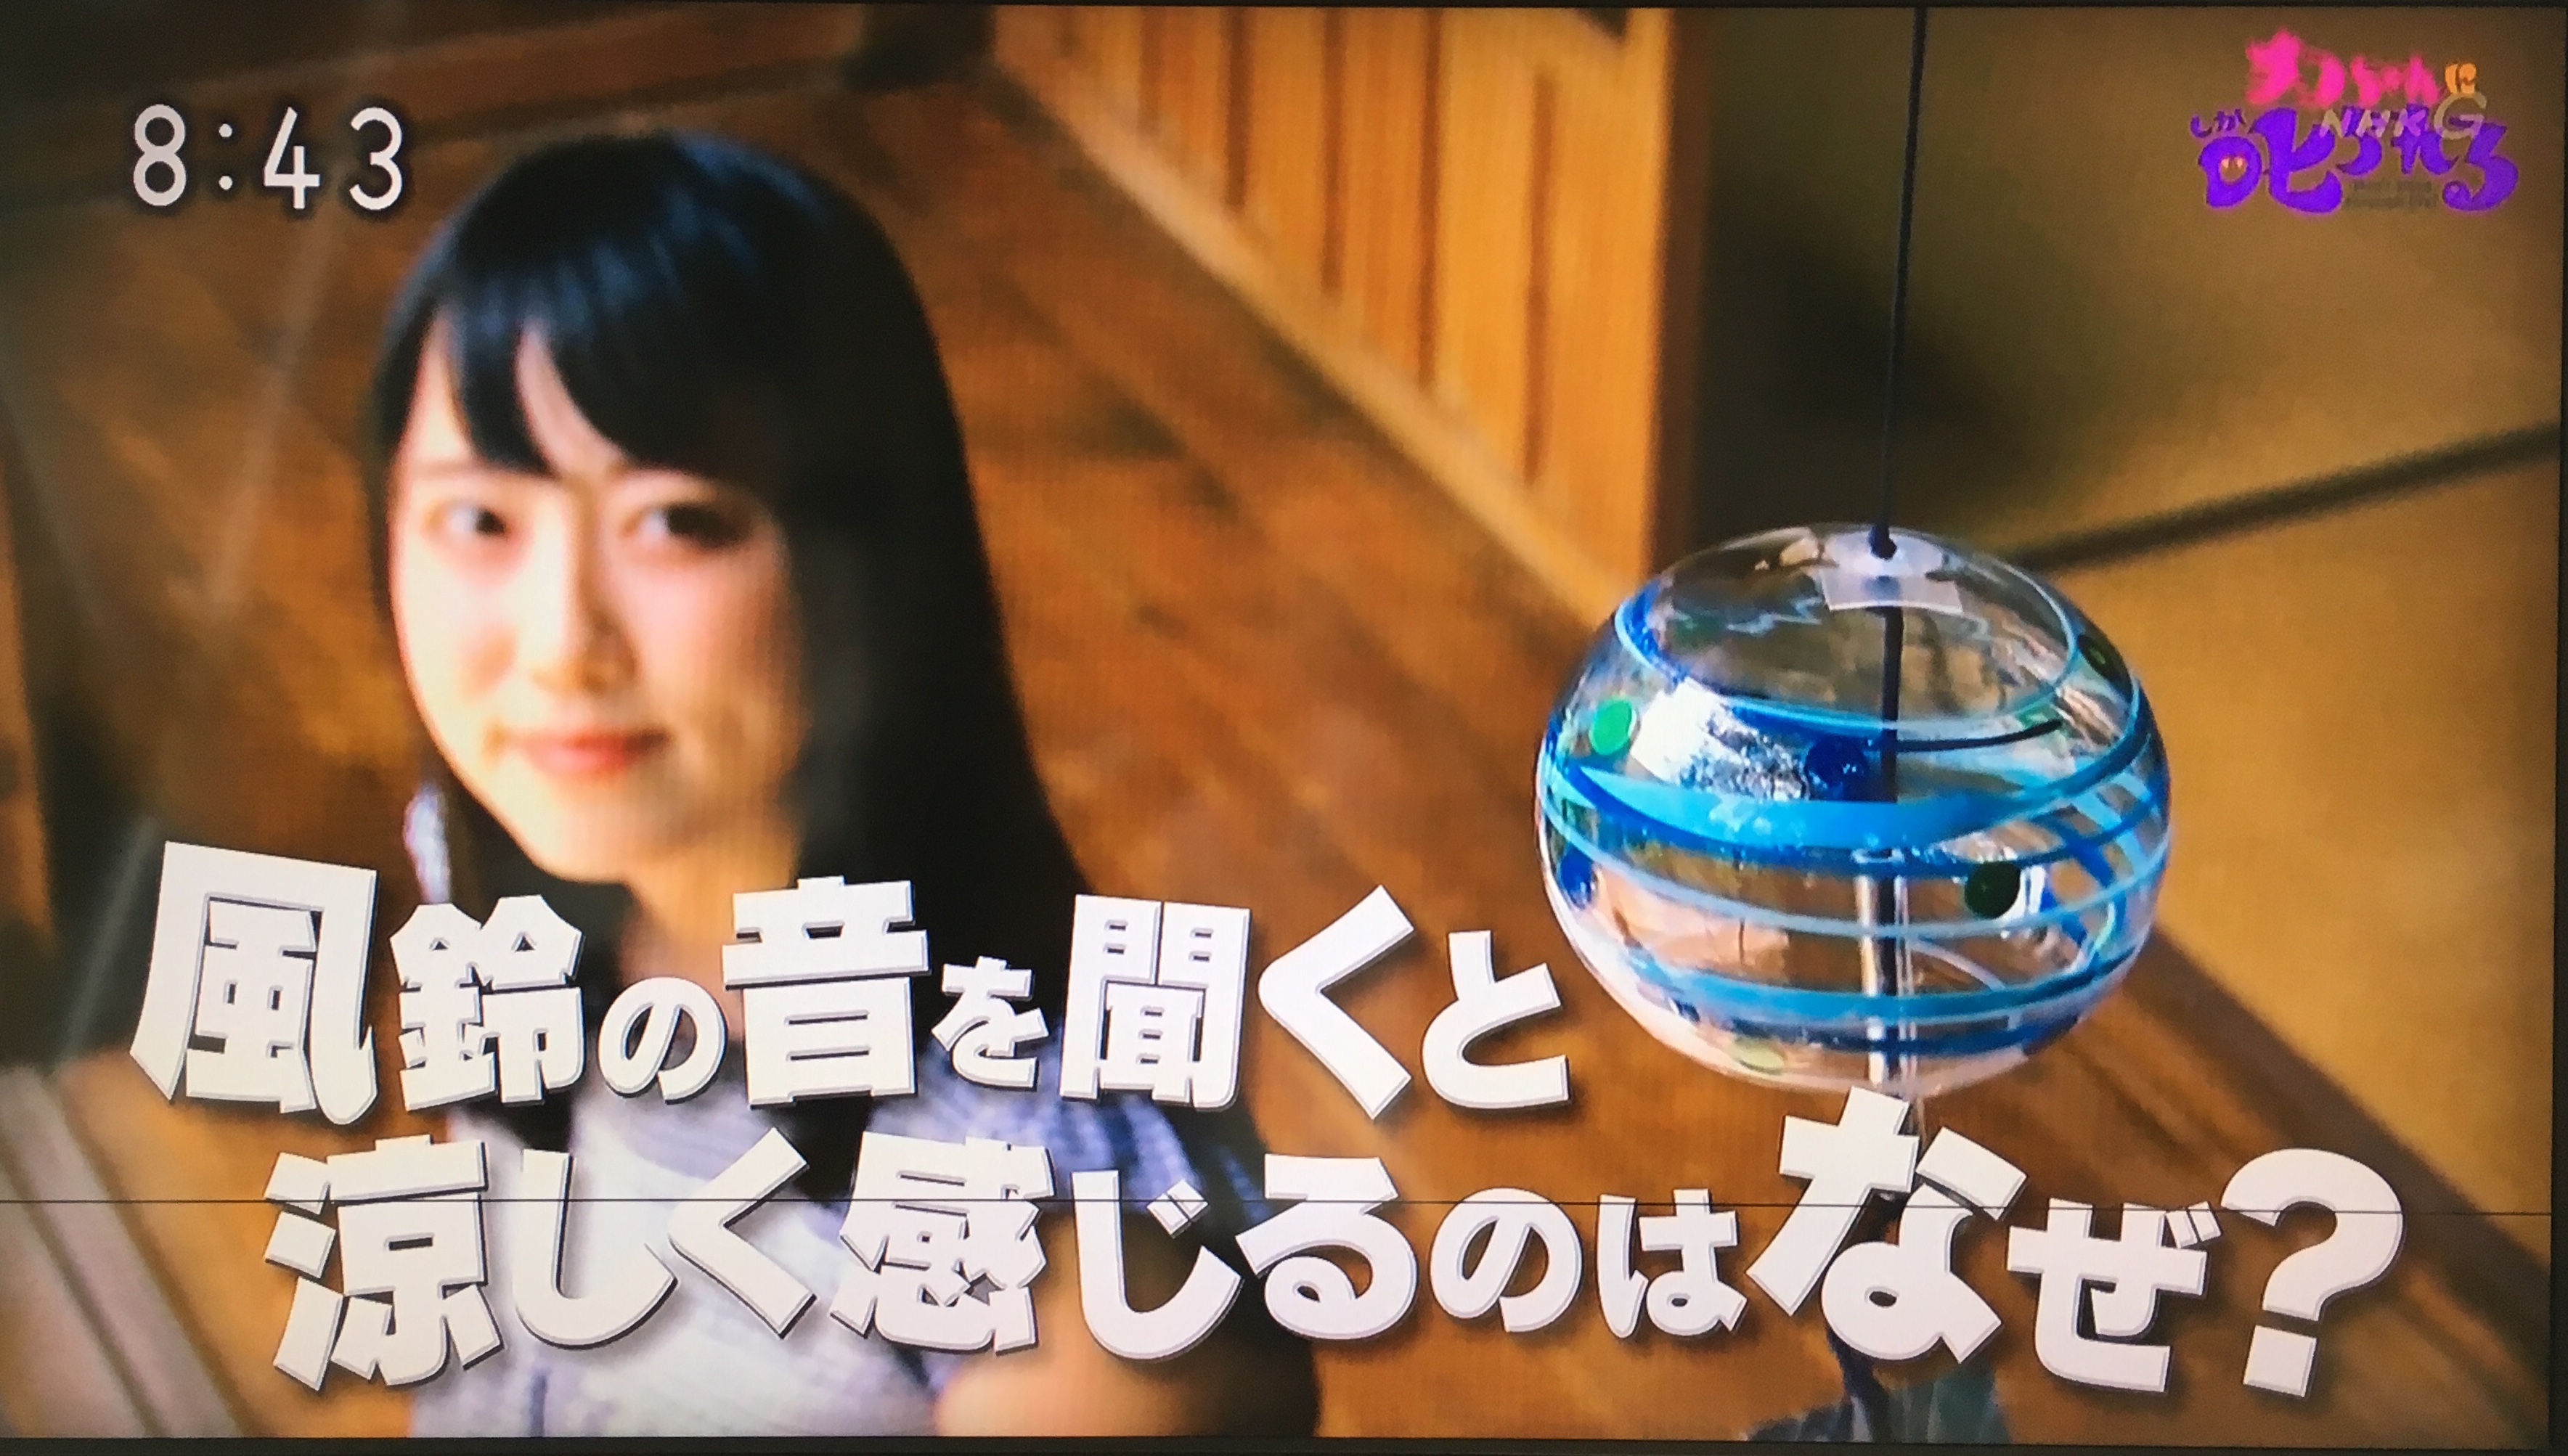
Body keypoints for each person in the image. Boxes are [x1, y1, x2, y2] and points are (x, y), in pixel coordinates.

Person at [368, 131, 1316, 1437]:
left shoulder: (1069, 1264)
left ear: (865, 559)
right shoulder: (491, 852)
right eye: (479, 519)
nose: (559, 645)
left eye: (675, 521)